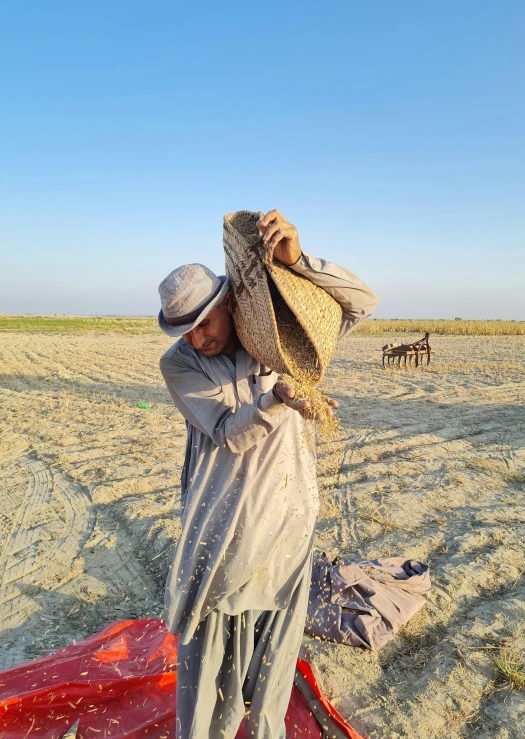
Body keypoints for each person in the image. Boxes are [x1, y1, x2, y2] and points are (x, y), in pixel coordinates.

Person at [157, 210, 379, 739]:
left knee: (274, 661)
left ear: (229, 303)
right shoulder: (181, 365)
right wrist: (278, 398)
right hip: (223, 534)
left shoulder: (282, 341)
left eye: (204, 324)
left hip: (286, 525)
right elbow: (230, 432)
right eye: (185, 330)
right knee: (211, 667)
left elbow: (361, 304)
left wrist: (296, 259)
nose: (195, 339)